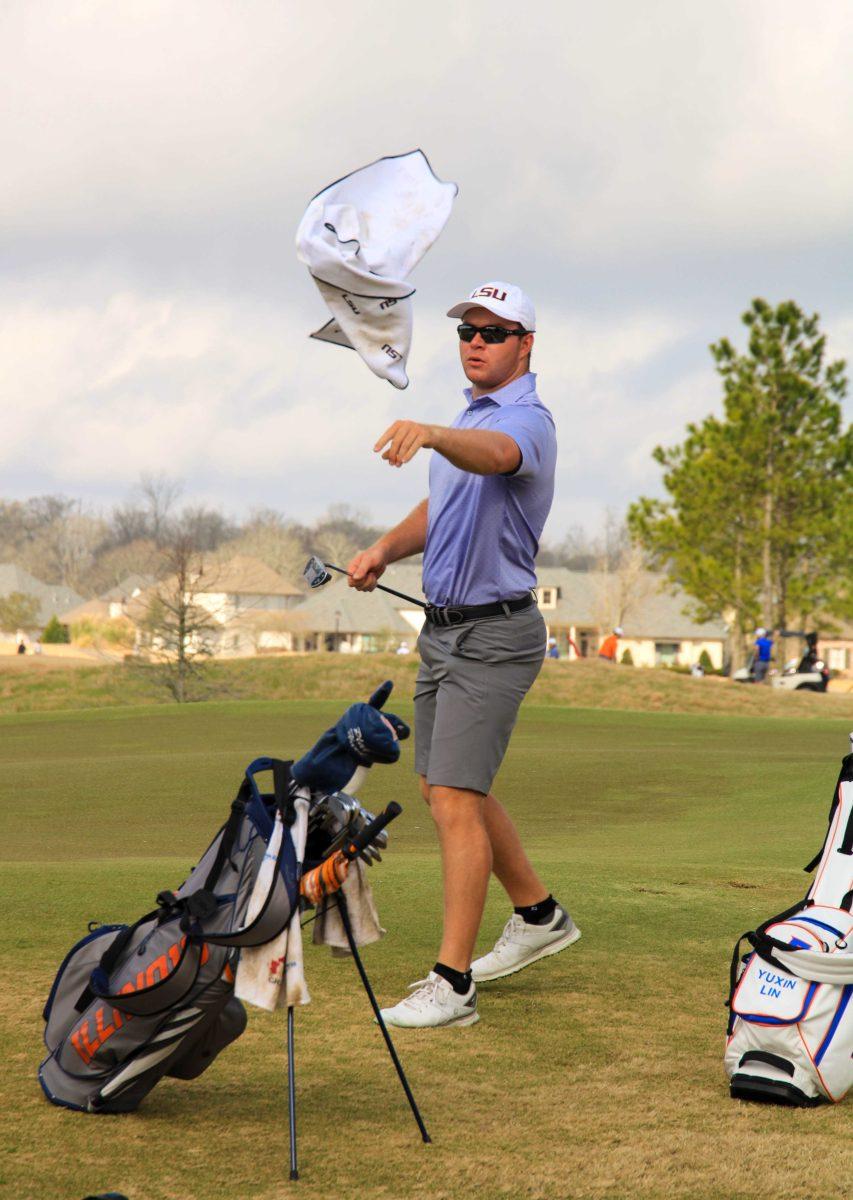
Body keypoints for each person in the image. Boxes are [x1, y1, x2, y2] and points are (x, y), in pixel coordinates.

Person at [347, 281, 579, 1028]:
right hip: (444, 632)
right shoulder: (466, 417)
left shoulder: (525, 421)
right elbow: (444, 499)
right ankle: (538, 915)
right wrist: (385, 546)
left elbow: (497, 456)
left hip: (495, 634)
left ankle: (452, 985)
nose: (475, 341)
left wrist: (436, 434)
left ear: (525, 344)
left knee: (453, 798)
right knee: (448, 789)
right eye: (466, 331)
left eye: (492, 330)